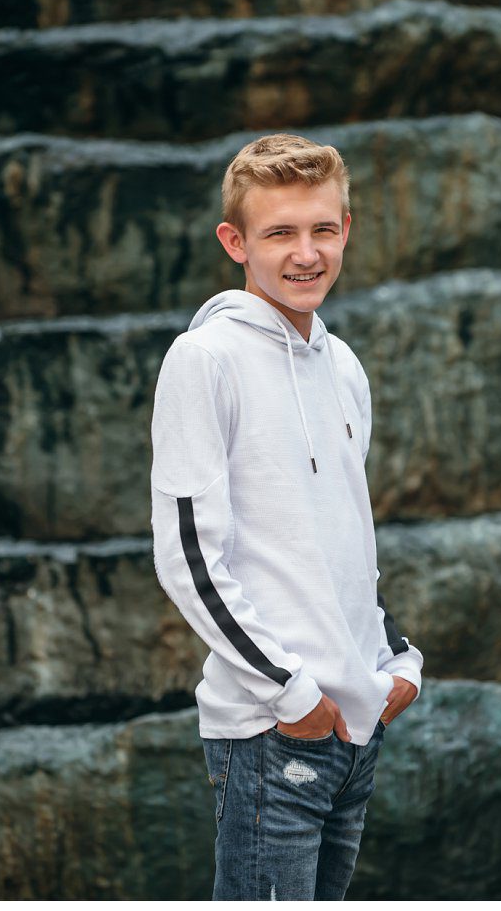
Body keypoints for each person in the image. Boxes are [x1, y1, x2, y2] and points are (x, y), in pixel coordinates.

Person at [150, 134, 423, 900]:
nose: (307, 253)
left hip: (354, 729)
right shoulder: (203, 359)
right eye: (279, 233)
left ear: (347, 229)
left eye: (323, 228)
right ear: (235, 241)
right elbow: (189, 556)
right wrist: (292, 694)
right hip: (271, 732)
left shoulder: (344, 366)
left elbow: (342, 542)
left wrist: (396, 660)